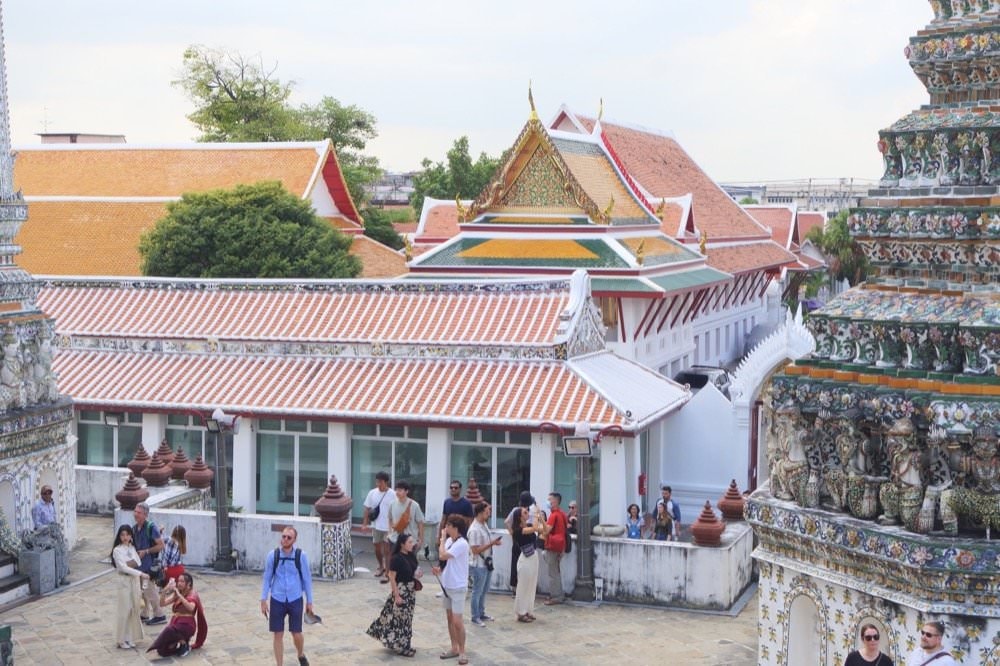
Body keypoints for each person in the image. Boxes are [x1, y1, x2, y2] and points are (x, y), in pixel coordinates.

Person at [261, 526, 315, 666]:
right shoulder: (273, 555)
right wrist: (263, 599)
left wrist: (309, 601)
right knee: (277, 634)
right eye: (283, 536)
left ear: (294, 540)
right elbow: (267, 577)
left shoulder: (300, 556)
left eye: (288, 537)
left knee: (296, 633)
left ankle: (300, 654)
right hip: (277, 598)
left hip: (295, 598)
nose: (285, 539)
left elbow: (307, 579)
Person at [367, 533, 422, 657]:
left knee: (407, 618)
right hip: (402, 590)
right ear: (402, 544)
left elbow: (414, 570)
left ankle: (406, 644)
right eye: (409, 542)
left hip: (411, 590)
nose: (412, 544)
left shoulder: (411, 556)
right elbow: (392, 577)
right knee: (400, 619)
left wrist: (417, 575)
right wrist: (396, 595)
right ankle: (399, 646)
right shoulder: (396, 558)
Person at [433, 514, 470, 664]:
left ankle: (462, 651)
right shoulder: (449, 541)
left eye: (448, 525)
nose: (445, 528)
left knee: (457, 621)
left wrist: (441, 539)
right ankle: (454, 647)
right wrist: (439, 571)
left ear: (455, 528)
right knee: (449, 618)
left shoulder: (462, 543)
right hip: (447, 585)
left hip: (458, 587)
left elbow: (442, 555)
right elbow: (446, 562)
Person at [146, 572, 207, 658]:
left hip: (187, 625)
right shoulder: (178, 593)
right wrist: (164, 590)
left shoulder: (192, 594)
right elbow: (162, 604)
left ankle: (183, 642)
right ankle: (183, 645)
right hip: (176, 624)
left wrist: (179, 595)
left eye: (182, 581)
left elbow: (191, 608)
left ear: (188, 583)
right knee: (162, 651)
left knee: (169, 629)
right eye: (178, 581)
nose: (179, 583)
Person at [111, 524, 148, 649]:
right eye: (122, 535)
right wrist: (139, 572)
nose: (125, 537)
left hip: (134, 581)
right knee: (124, 610)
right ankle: (121, 639)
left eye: (127, 534)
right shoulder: (117, 550)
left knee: (134, 609)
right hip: (124, 581)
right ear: (119, 536)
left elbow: (138, 561)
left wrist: (129, 563)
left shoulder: (132, 548)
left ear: (131, 536)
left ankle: (130, 637)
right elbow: (122, 567)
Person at [467, 501, 502, 627]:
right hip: (478, 564)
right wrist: (492, 543)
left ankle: (481, 612)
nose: (489, 514)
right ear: (481, 513)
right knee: (477, 591)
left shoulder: (484, 525)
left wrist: (493, 543)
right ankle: (475, 616)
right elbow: (475, 550)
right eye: (487, 512)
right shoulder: (475, 529)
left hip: (486, 562)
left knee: (484, 590)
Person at [512, 491, 543, 623]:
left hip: (533, 557)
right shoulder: (519, 531)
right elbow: (536, 527)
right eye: (524, 513)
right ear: (519, 517)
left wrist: (540, 516)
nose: (527, 513)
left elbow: (540, 529)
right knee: (523, 586)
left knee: (531, 585)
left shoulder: (528, 526)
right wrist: (536, 514)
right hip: (525, 559)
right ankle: (520, 612)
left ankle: (529, 610)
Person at [133, 502, 166, 625]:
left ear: (145, 515)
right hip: (140, 567)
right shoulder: (135, 528)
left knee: (150, 591)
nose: (136, 514)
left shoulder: (151, 527)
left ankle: (159, 614)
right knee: (144, 591)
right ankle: (145, 613)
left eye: (139, 512)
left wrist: (146, 551)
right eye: (135, 511)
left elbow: (161, 545)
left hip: (149, 566)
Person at [362, 471, 395, 581]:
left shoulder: (393, 494)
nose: (378, 484)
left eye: (380, 482)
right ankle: (381, 566)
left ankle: (388, 570)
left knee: (387, 550)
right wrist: (365, 523)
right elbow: (367, 508)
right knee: (376, 548)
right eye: (377, 481)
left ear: (386, 482)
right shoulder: (372, 493)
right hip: (376, 525)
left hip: (388, 527)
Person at [542, 492, 568, 606]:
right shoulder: (562, 514)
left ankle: (556, 596)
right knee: (556, 571)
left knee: (553, 573)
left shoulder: (554, 515)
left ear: (555, 501)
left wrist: (540, 521)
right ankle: (558, 594)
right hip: (560, 546)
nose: (548, 501)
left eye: (550, 499)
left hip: (553, 546)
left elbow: (546, 530)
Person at [387, 480, 425, 557]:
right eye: (396, 490)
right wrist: (389, 533)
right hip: (394, 540)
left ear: (406, 491)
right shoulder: (392, 504)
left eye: (400, 490)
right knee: (395, 563)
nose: (397, 492)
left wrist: (420, 540)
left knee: (409, 565)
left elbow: (420, 523)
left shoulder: (415, 505)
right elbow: (389, 519)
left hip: (410, 541)